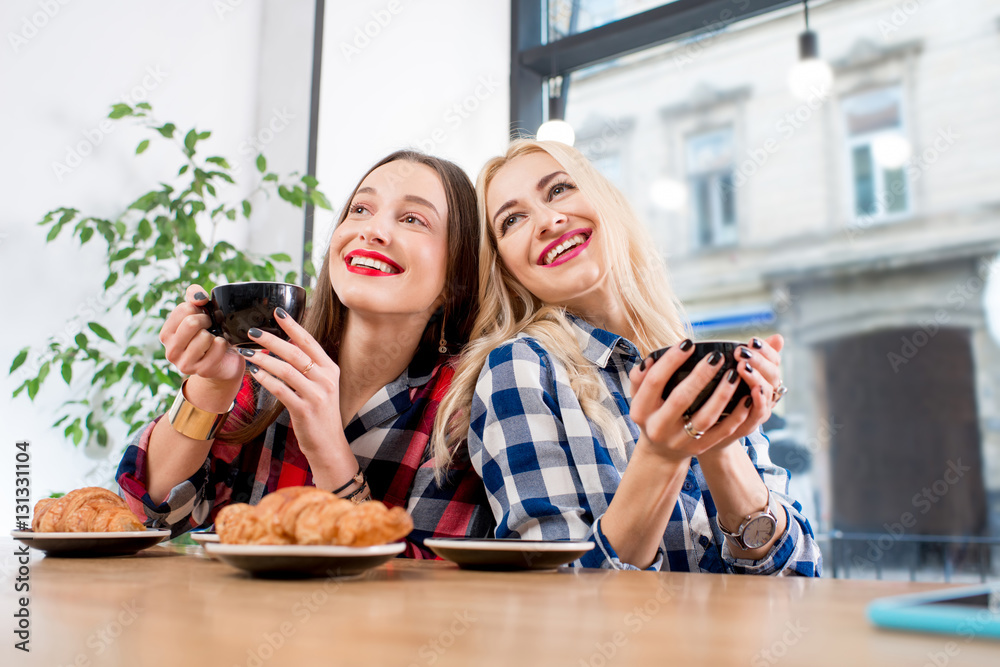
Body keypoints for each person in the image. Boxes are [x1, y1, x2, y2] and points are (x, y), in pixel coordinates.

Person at [432, 139, 822, 575]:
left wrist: (720, 444)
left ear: (606, 203)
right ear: (504, 267)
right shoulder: (519, 369)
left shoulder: (692, 357)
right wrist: (661, 457)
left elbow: (799, 575)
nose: (547, 219)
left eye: (559, 190)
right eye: (513, 219)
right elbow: (553, 592)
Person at [117, 151, 492, 558]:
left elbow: (427, 583)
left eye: (412, 219)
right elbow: (142, 516)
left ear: (455, 276)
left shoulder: (465, 402)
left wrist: (328, 448)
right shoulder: (267, 362)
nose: (373, 230)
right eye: (361, 209)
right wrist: (211, 385)